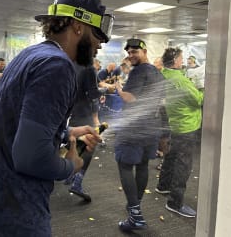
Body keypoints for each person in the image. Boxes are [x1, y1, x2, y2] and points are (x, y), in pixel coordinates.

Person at [0, 0, 113, 236]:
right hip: (10, 212)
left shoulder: (31, 55)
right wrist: (69, 166)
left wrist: (66, 132)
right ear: (77, 26)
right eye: (97, 33)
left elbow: (16, 121)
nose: (100, 43)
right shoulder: (57, 67)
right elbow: (30, 158)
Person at [114, 38, 165, 231]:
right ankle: (135, 204)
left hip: (134, 128)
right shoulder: (156, 72)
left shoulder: (139, 72)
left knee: (125, 165)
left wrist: (118, 88)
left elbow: (130, 98)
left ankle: (135, 214)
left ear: (144, 52)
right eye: (129, 52)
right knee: (142, 165)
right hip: (151, 127)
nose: (131, 55)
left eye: (135, 51)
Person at [155, 47, 204, 218]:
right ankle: (175, 203)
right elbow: (198, 99)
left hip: (175, 123)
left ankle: (163, 186)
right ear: (175, 60)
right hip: (187, 126)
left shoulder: (166, 75)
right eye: (181, 58)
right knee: (184, 164)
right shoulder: (181, 80)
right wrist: (204, 89)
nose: (183, 61)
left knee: (171, 156)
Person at [64, 48, 105, 202]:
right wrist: (106, 90)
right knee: (88, 146)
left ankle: (68, 174)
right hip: (84, 112)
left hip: (71, 110)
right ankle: (77, 182)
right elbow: (93, 93)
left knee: (72, 142)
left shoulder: (71, 63)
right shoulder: (88, 67)